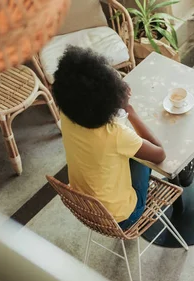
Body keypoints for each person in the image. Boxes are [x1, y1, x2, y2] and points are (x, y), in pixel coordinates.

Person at [52, 46, 166, 229]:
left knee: (124, 153)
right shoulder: (116, 135)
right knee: (142, 159)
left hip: (85, 206)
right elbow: (160, 154)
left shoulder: (66, 113)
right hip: (121, 217)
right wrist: (130, 110)